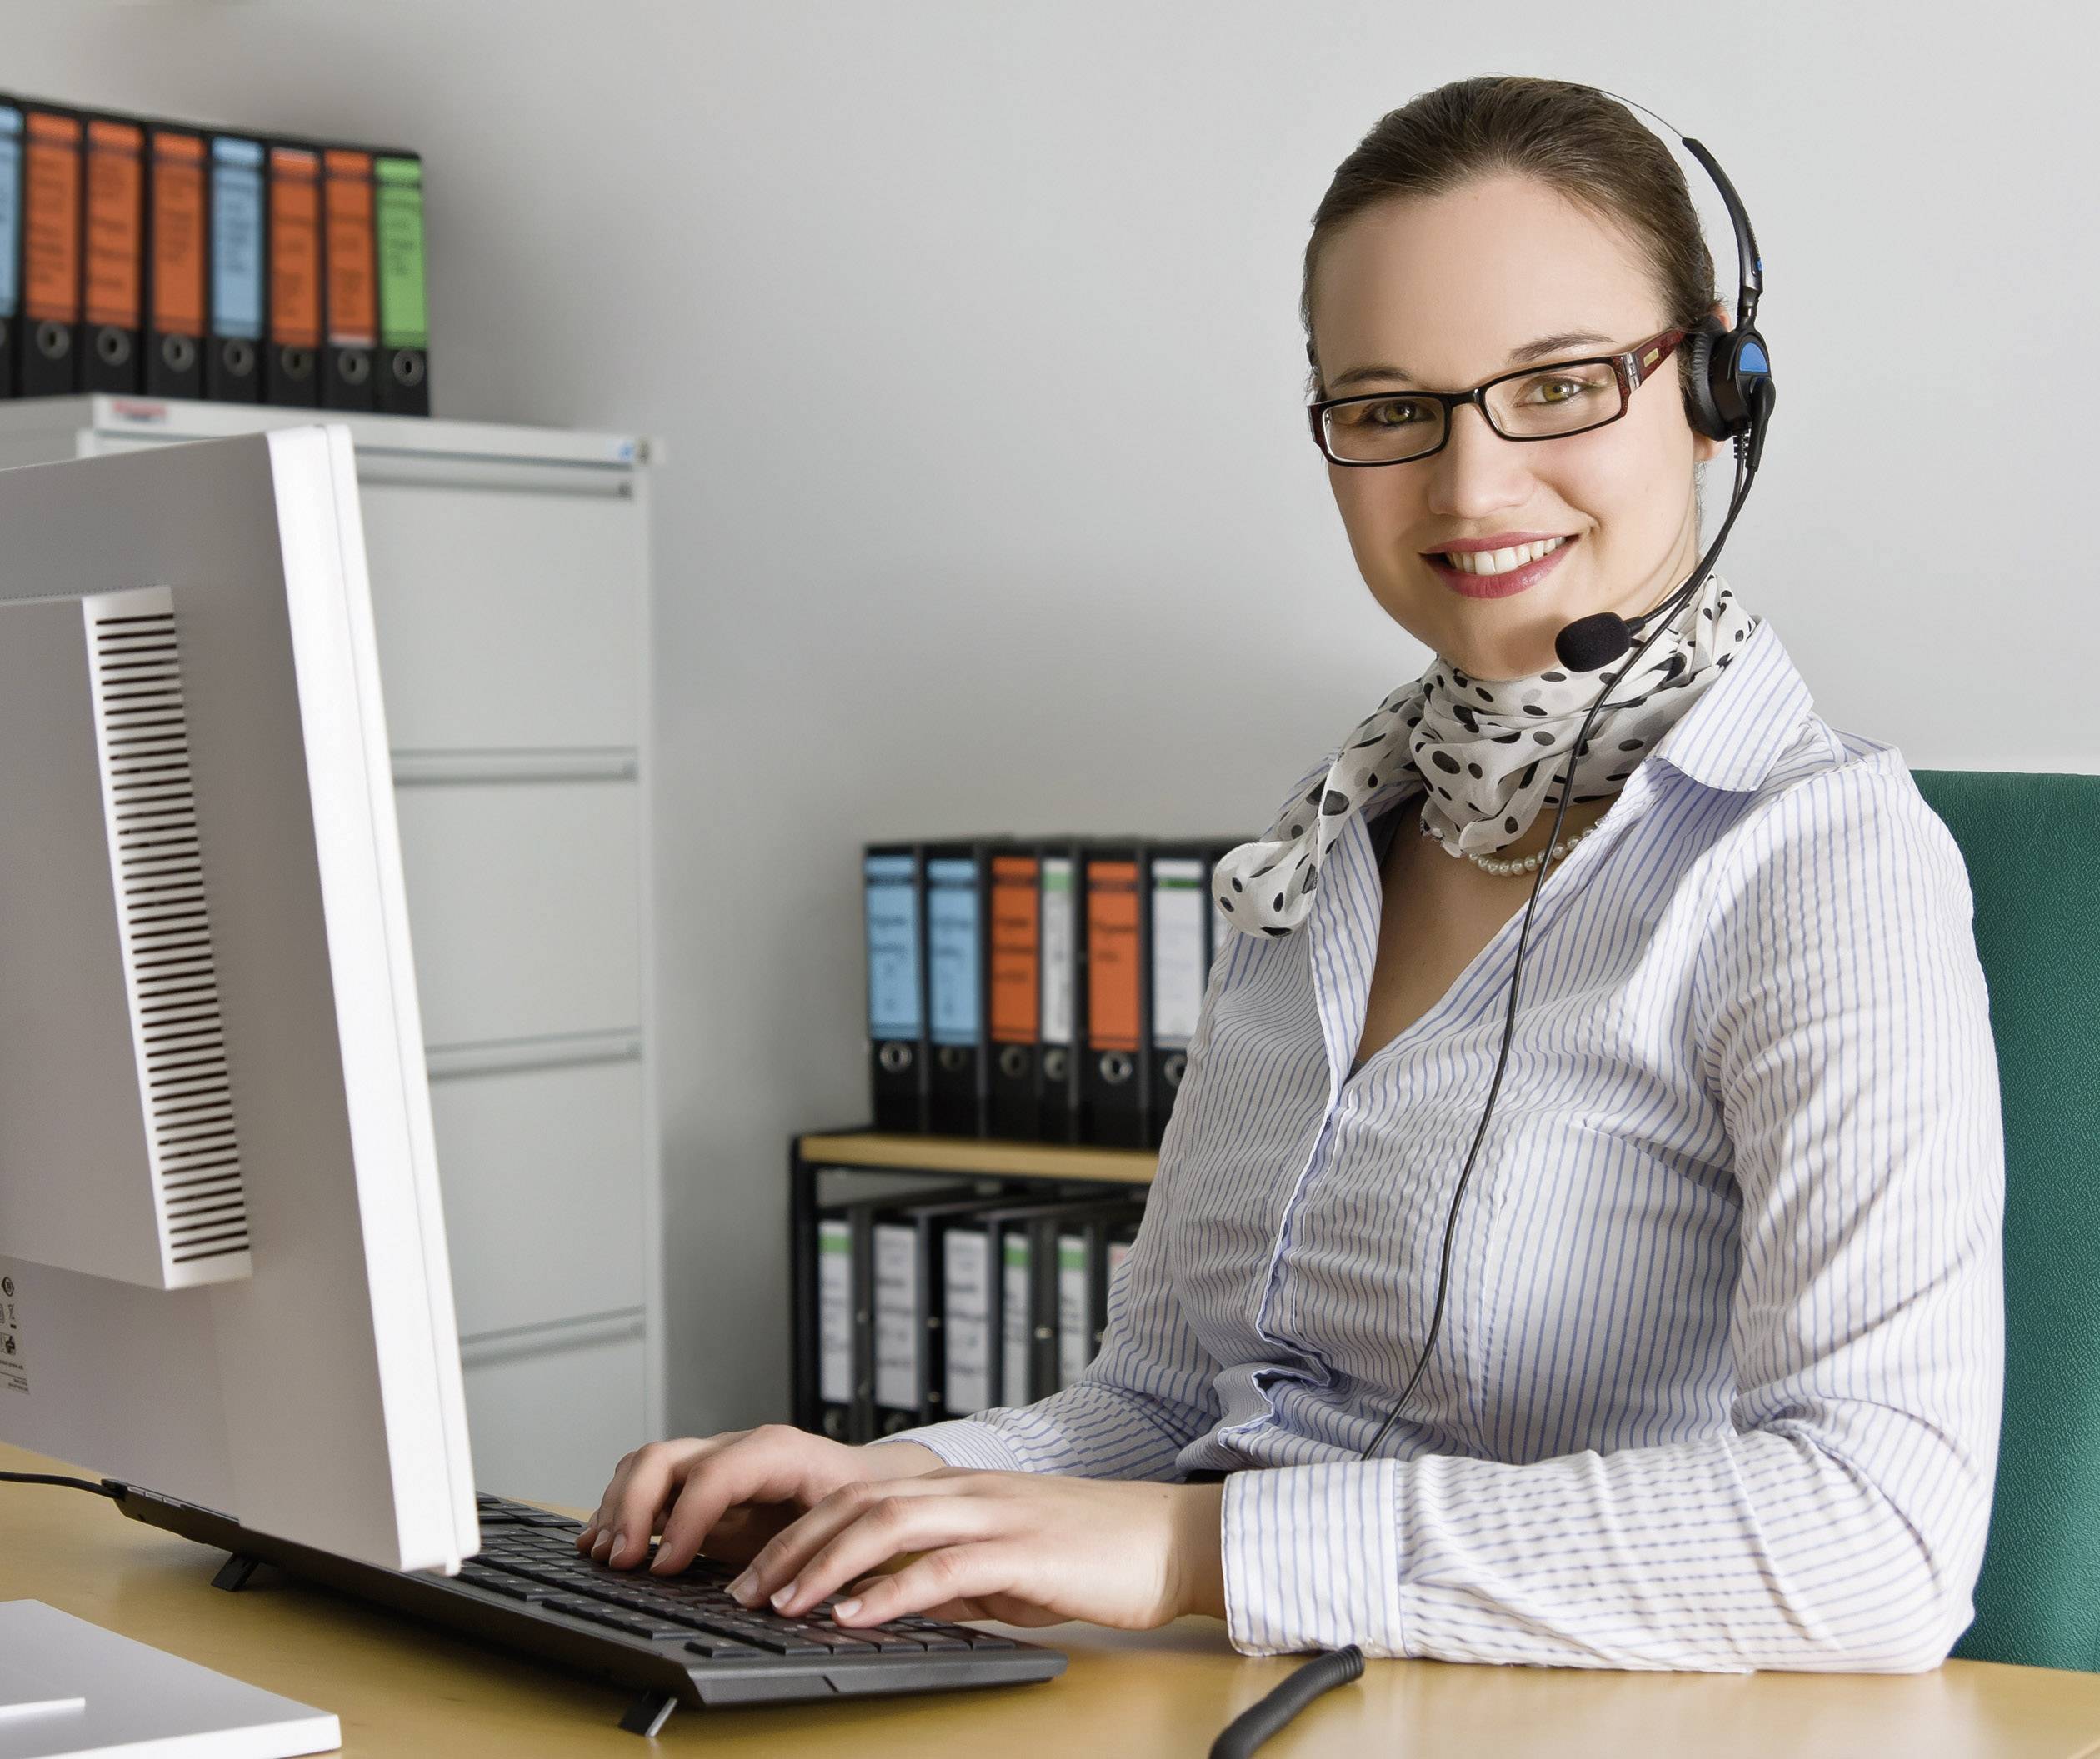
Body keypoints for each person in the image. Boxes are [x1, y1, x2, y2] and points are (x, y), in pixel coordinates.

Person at [582, 75, 2005, 1672]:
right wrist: (905, 1488)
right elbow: (1168, 1402)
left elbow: (1882, 1537)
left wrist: (1202, 1550)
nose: (1469, 489)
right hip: (1244, 1702)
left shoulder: (1818, 861)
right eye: (1391, 409)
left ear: (1716, 391)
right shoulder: (1331, 836)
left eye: (1559, 384)